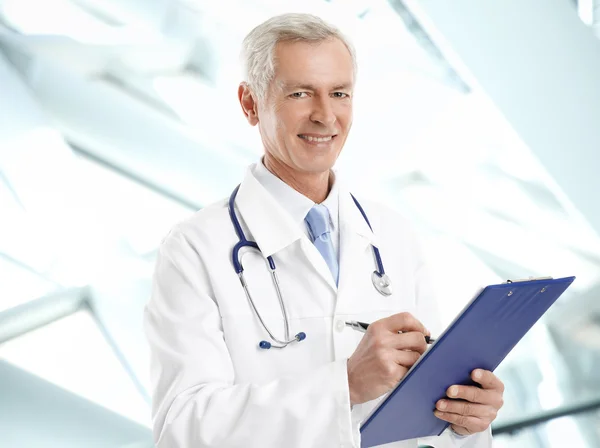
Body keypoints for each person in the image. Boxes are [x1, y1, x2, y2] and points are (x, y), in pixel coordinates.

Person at [144, 12, 504, 448]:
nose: (325, 115)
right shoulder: (194, 249)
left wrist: (467, 417)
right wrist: (345, 385)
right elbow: (181, 429)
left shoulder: (392, 235)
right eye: (300, 93)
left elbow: (428, 404)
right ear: (250, 103)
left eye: (339, 93)